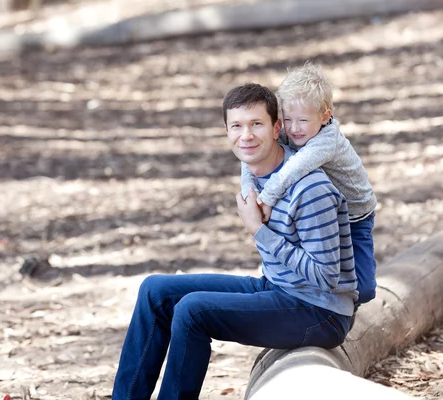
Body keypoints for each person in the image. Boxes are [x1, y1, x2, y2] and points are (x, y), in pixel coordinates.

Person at [111, 83, 358, 400]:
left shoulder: (310, 190)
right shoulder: (257, 170)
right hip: (279, 288)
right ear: (226, 131)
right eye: (237, 126)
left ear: (276, 127)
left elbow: (326, 277)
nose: (247, 136)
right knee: (154, 291)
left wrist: (259, 230)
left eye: (257, 124)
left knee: (193, 311)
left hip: (320, 312)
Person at [240, 62, 377, 306]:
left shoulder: (326, 140)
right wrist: (248, 191)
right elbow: (252, 153)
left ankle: (345, 316)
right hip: (322, 211)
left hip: (356, 216)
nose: (293, 128)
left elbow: (294, 169)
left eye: (302, 120)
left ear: (324, 117)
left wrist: (267, 198)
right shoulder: (293, 129)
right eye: (288, 119)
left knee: (363, 289)